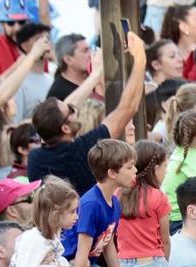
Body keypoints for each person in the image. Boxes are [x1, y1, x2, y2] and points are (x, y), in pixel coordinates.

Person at [28, 32, 145, 195]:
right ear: (66, 129)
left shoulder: (35, 158)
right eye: (70, 110)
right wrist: (140, 60)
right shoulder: (81, 151)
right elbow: (127, 108)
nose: (74, 108)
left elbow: (63, 110)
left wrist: (96, 74)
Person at [60, 139, 141, 267]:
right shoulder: (91, 204)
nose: (135, 171)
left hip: (90, 264)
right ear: (112, 173)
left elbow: (108, 243)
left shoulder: (115, 202)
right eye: (129, 167)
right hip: (72, 265)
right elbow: (81, 251)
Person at [9, 177, 98, 267]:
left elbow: (56, 258)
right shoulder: (33, 239)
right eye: (72, 211)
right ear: (56, 215)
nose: (77, 217)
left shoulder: (52, 236)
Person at [119, 140, 174, 267]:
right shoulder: (158, 196)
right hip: (151, 262)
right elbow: (165, 240)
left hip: (122, 263)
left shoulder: (119, 193)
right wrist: (164, 264)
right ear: (155, 169)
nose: (167, 171)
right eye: (165, 166)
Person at [48, 33, 90, 100]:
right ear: (68, 59)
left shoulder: (95, 79)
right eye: (85, 51)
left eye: (90, 50)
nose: (91, 54)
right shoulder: (57, 93)